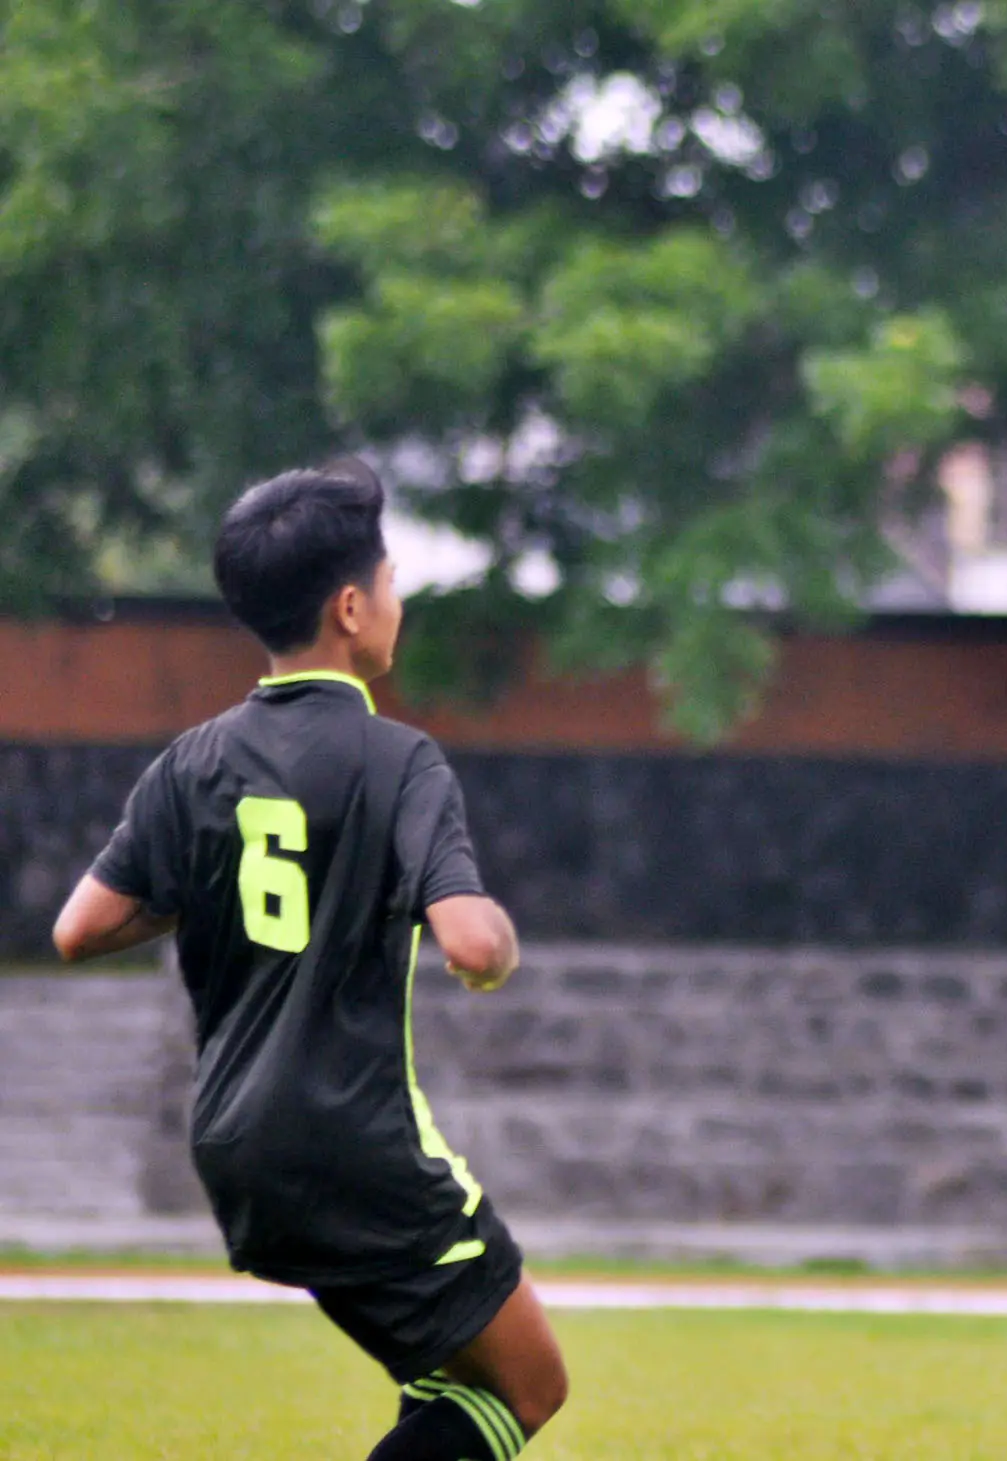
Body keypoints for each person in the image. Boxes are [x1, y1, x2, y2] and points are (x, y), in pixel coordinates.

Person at [51, 461, 568, 1461]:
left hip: (237, 1148)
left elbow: (79, 928)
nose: (397, 601)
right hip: (353, 1145)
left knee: (445, 1384)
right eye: (392, 582)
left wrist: (206, 889)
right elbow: (467, 937)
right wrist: (494, 947)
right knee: (532, 1389)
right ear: (350, 608)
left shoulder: (190, 761)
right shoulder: (399, 762)